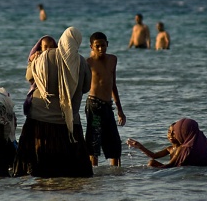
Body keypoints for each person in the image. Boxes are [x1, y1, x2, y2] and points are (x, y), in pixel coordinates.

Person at [13, 27, 93, 178]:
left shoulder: (44, 56)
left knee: (41, 167)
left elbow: (29, 77)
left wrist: (31, 63)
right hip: (69, 119)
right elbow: (86, 87)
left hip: (41, 117)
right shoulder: (81, 61)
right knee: (74, 170)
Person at [86, 32, 126, 167]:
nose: (101, 49)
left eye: (103, 45)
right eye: (97, 46)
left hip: (108, 106)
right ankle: (94, 173)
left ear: (107, 44)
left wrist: (120, 110)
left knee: (114, 141)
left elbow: (113, 85)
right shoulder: (88, 63)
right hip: (94, 106)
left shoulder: (113, 59)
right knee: (94, 141)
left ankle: (116, 174)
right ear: (91, 46)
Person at [143, 118, 207, 168]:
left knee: (151, 163)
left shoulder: (187, 149)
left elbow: (171, 167)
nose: (173, 135)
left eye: (176, 132)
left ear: (182, 132)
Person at [24, 35, 58, 115]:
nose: (48, 49)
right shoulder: (37, 59)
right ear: (41, 47)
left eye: (51, 47)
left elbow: (29, 77)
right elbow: (29, 78)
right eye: (45, 47)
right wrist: (32, 62)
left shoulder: (57, 61)